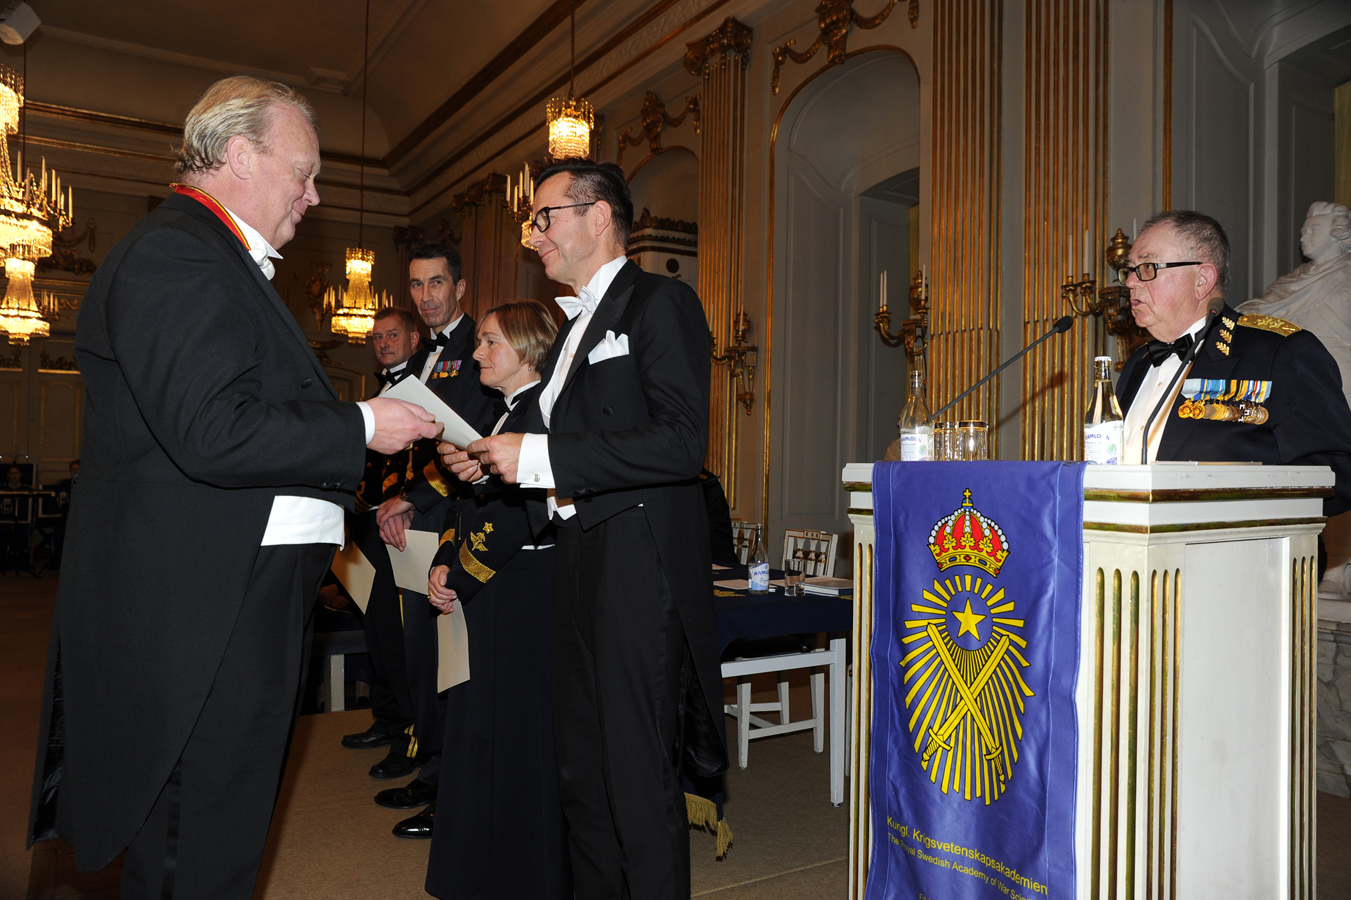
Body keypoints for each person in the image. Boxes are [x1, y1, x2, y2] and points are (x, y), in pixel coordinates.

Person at [26, 75, 438, 899]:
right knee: (199, 833)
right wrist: (361, 424)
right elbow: (211, 430)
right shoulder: (179, 252)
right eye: (304, 173)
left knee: (214, 825)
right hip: (204, 608)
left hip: (226, 593)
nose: (314, 197)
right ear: (242, 156)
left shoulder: (208, 256)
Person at [445, 158, 728, 899]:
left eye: (544, 217)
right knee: (582, 774)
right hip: (576, 558)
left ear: (598, 217)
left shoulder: (660, 302)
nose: (532, 233)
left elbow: (680, 443)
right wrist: (491, 460)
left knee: (635, 775)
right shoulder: (572, 326)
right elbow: (560, 443)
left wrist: (537, 455)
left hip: (636, 559)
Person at [423, 300, 570, 899]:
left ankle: (521, 874)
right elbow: (465, 501)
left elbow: (517, 515)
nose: (478, 352)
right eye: (479, 341)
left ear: (529, 350)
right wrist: (444, 556)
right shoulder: (498, 412)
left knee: (516, 730)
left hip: (524, 589)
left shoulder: (542, 414)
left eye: (490, 343)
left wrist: (460, 573)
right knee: (479, 723)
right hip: (492, 584)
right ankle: (480, 866)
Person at [369, 243, 496, 839]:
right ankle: (433, 767)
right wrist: (404, 500)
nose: (426, 297)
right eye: (417, 285)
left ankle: (454, 783)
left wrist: (414, 498)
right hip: (425, 517)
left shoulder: (481, 347)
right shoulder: (425, 356)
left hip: (466, 519)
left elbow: (475, 441)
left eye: (437, 283)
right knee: (421, 651)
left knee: (453, 660)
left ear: (460, 287)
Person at [1115, 209, 1351, 516]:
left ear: (1202, 279)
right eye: (1129, 270)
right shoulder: (1138, 364)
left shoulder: (1279, 352)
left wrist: (1234, 503)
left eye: (1147, 267)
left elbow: (1338, 473)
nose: (1130, 282)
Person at [1238, 202, 1351, 598]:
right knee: (1317, 473)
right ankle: (1327, 565)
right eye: (1304, 228)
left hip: (1346, 373)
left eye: (1313, 229)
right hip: (1306, 384)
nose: (1304, 235)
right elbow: (1260, 315)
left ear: (1338, 234)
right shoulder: (1292, 281)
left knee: (1343, 472)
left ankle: (1339, 569)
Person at [341, 306, 426, 780]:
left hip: (402, 525)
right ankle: (388, 717)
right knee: (375, 629)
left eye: (393, 335)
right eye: (377, 337)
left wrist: (406, 503)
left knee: (399, 636)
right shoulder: (378, 391)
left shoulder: (424, 386)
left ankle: (409, 733)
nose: (383, 343)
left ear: (413, 339)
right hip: (367, 524)